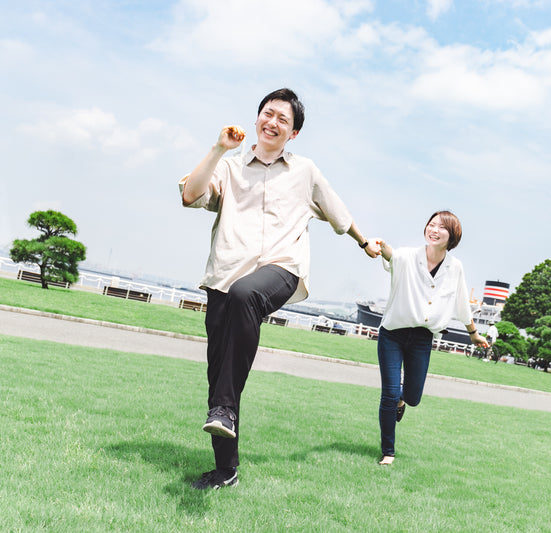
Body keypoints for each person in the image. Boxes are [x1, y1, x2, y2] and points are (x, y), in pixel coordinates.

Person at [179, 88, 380, 489]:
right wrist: (219, 148)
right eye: (267, 114)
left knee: (246, 295)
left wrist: (365, 242)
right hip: (225, 275)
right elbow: (190, 195)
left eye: (282, 119)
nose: (273, 122)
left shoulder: (305, 171)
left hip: (281, 270)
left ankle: (223, 409)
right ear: (256, 119)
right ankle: (225, 469)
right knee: (219, 374)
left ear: (294, 133)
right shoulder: (230, 167)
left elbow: (340, 214)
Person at [374, 211, 488, 465]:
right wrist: (378, 245)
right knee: (389, 395)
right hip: (392, 333)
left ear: (452, 236)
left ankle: (403, 400)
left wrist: (474, 334)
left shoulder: (454, 267)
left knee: (412, 397)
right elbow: (391, 254)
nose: (433, 230)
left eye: (441, 227)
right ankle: (388, 451)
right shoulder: (407, 256)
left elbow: (460, 302)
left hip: (422, 339)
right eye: (431, 224)